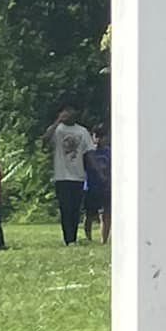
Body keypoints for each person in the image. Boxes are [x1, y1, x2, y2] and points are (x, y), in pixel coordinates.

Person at [44, 105, 95, 245]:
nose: (69, 114)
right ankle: (68, 239)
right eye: (65, 111)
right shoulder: (58, 130)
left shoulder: (82, 131)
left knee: (75, 209)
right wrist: (57, 121)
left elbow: (89, 152)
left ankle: (73, 237)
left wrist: (96, 170)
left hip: (78, 176)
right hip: (62, 176)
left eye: (71, 111)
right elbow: (46, 139)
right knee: (65, 208)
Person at [83, 123, 112, 243]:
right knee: (89, 214)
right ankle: (88, 238)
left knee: (106, 213)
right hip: (90, 186)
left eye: (103, 136)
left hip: (105, 185)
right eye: (97, 136)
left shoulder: (109, 152)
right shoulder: (89, 152)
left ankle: (104, 239)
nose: (100, 139)